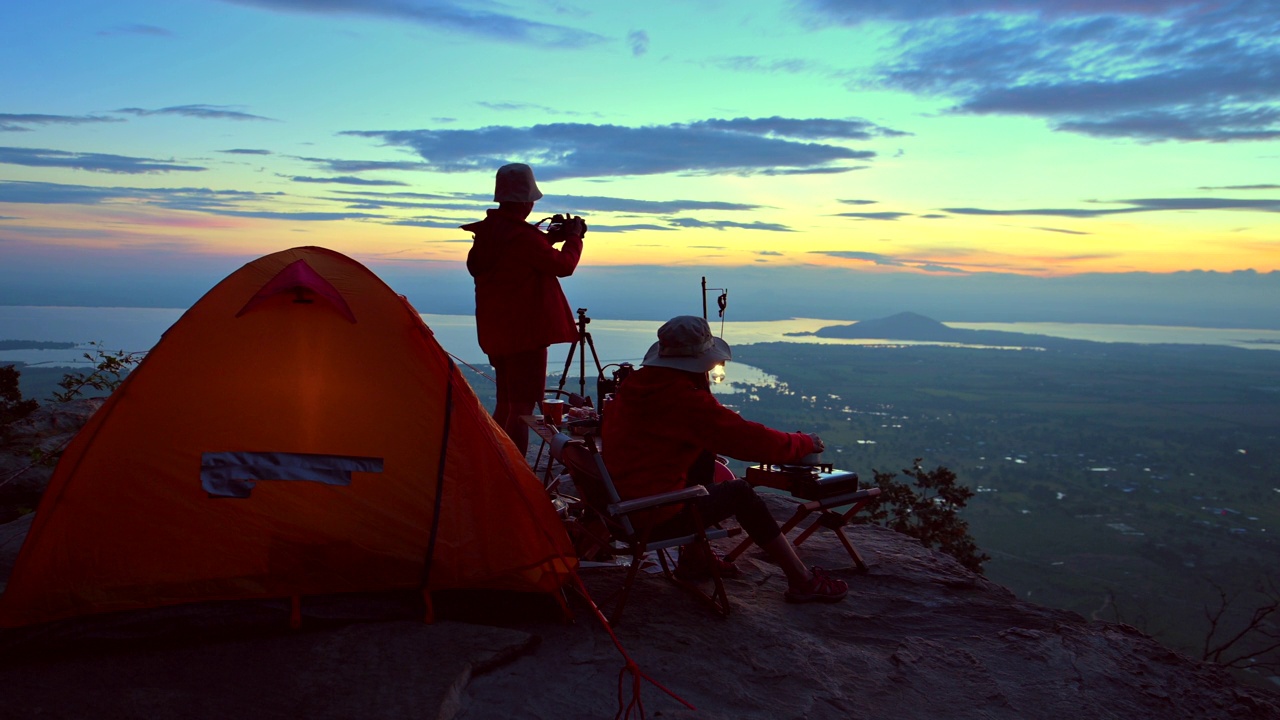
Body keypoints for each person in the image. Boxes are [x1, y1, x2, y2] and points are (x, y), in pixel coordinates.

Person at [602, 315, 848, 603]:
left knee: (702, 455)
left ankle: (695, 560)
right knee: (740, 493)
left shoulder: (638, 385)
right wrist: (803, 442)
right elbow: (747, 439)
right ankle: (801, 579)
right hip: (653, 515)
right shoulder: (684, 400)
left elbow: (713, 434)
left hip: (621, 507)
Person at [463, 163, 585, 455]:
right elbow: (562, 266)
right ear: (528, 202)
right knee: (522, 408)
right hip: (526, 334)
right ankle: (513, 471)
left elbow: (514, 258)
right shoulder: (522, 238)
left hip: (497, 331)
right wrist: (574, 238)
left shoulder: (489, 234)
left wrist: (545, 240)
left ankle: (492, 460)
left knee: (506, 401)